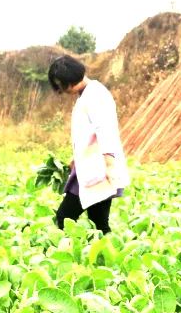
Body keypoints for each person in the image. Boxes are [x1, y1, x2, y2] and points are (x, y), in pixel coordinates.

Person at [47, 55, 130, 233]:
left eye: (59, 83)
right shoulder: (88, 94)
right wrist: (76, 158)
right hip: (90, 167)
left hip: (97, 168)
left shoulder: (96, 95)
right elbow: (88, 134)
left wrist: (108, 164)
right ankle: (107, 257)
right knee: (98, 223)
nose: (60, 89)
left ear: (67, 80)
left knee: (64, 218)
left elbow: (104, 130)